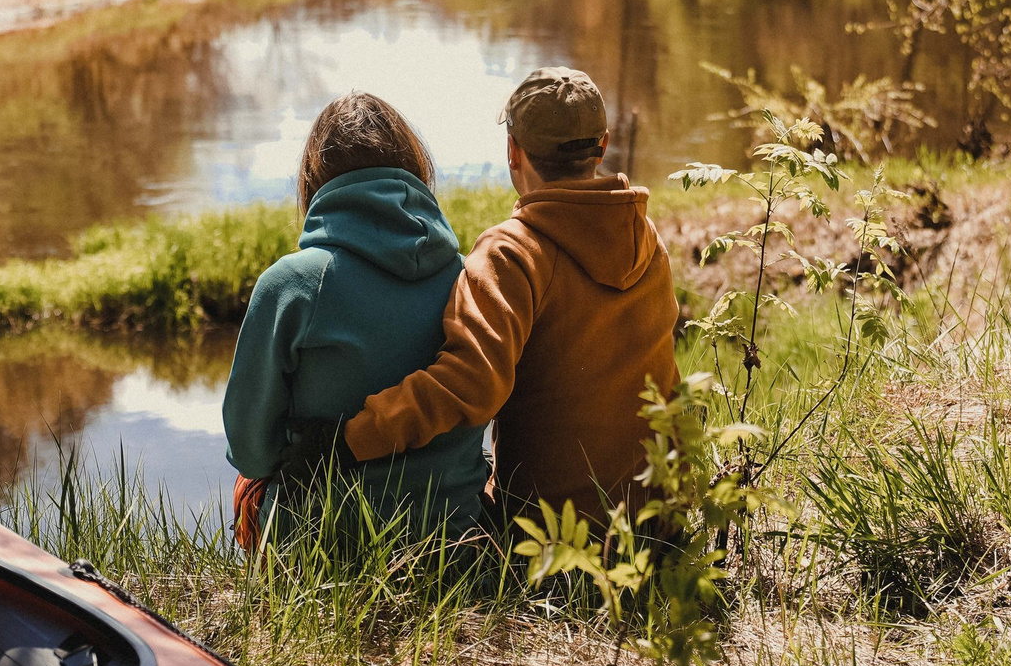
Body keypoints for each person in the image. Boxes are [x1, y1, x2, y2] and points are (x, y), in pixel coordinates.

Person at [339, 67, 679, 525]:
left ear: (513, 151)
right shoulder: (647, 240)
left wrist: (356, 435)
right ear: (601, 146)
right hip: (653, 526)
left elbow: (470, 383)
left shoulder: (512, 253)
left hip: (552, 542)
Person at [221, 93, 490, 550]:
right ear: (416, 169)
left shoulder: (292, 284)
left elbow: (250, 451)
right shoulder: (470, 280)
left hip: (321, 553)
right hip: (455, 549)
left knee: (248, 487)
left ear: (313, 180)